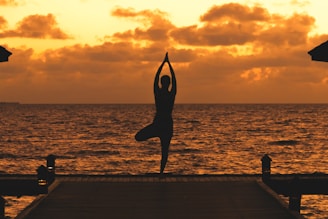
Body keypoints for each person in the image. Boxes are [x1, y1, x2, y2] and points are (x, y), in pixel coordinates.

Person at [135, 52, 177, 175]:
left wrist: (163, 64)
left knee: (164, 150)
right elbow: (173, 80)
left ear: (162, 83)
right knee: (164, 150)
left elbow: (156, 80)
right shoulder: (170, 94)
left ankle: (161, 173)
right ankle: (161, 173)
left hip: (161, 124)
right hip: (162, 124)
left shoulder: (160, 94)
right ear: (167, 84)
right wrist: (168, 65)